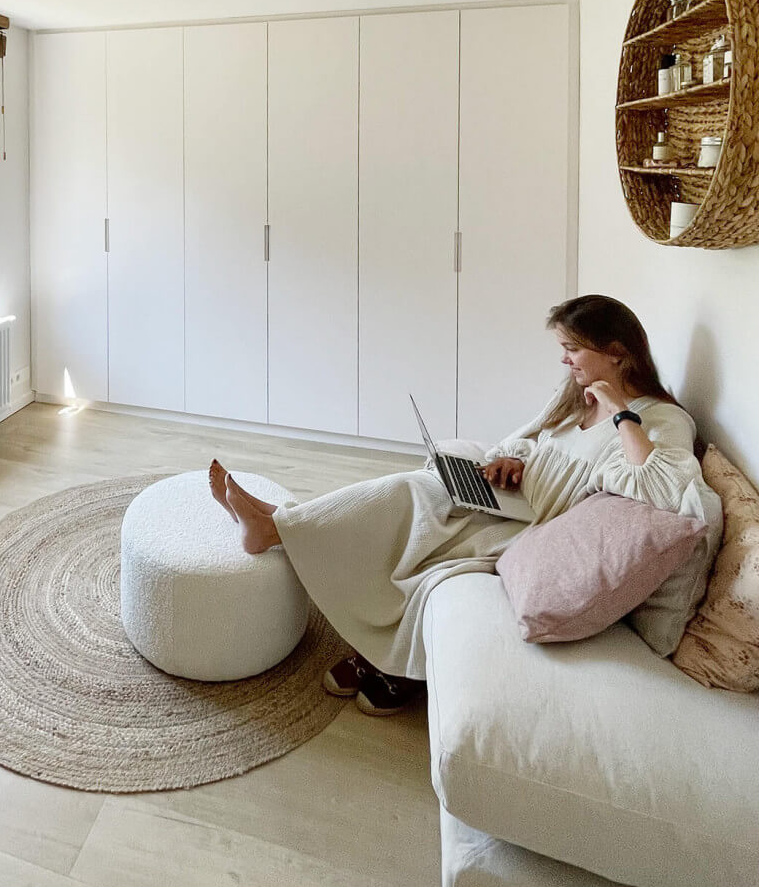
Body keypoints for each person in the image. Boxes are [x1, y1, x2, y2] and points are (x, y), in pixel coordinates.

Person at [209, 295, 713, 716]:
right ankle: (280, 522)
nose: (564, 361)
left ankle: (280, 533)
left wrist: (621, 412)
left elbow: (665, 487)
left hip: (530, 526)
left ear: (617, 352)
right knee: (412, 488)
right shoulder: (576, 392)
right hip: (511, 497)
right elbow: (526, 437)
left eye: (572, 349)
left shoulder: (660, 418)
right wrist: (510, 460)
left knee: (425, 541)